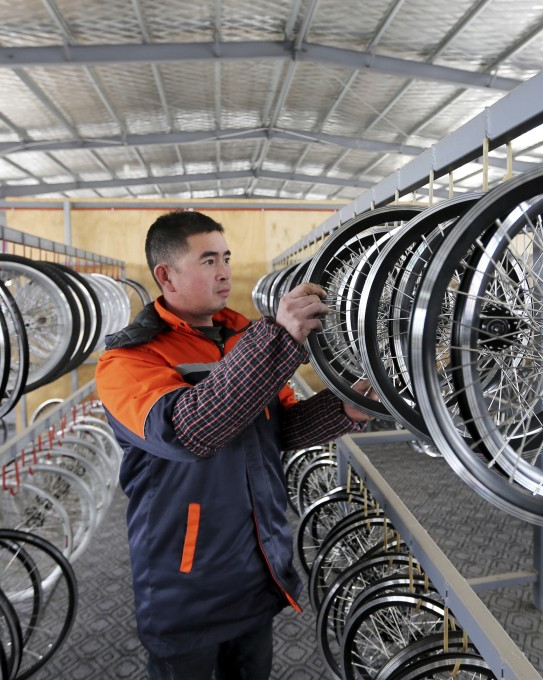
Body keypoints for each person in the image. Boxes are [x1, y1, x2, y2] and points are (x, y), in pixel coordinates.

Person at [95, 209, 373, 679]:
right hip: (185, 585)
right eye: (207, 261)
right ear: (167, 275)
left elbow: (278, 427)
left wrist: (345, 408)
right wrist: (276, 338)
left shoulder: (241, 336)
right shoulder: (128, 361)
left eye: (226, 257)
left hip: (254, 568)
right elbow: (190, 431)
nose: (224, 271)